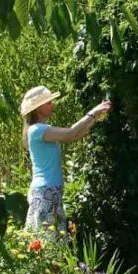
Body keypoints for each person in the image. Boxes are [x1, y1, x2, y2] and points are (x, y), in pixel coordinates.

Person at [20, 85, 111, 236]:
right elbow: (71, 133)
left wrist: (96, 117)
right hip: (46, 191)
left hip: (50, 191)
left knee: (52, 240)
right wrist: (95, 111)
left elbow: (75, 136)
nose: (52, 105)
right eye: (48, 102)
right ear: (38, 108)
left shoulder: (42, 129)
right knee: (48, 240)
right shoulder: (37, 130)